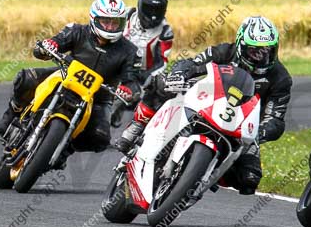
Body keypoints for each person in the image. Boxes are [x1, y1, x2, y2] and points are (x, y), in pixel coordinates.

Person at [115, 15, 293, 195]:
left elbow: (275, 118)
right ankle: (138, 125)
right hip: (206, 102)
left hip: (240, 128)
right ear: (241, 45)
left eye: (267, 52)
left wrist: (260, 132)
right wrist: (180, 75)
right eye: (254, 51)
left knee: (249, 179)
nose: (261, 57)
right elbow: (193, 64)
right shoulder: (225, 52)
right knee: (160, 83)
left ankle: (202, 176)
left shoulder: (281, 78)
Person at [0, 0, 139, 158]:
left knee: (100, 138)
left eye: (115, 23)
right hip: (64, 77)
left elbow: (132, 80)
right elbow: (52, 44)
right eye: (106, 21)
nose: (110, 27)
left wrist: (128, 90)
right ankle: (11, 116)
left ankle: (65, 149)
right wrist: (49, 46)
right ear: (94, 18)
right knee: (26, 78)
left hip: (99, 97)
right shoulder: (77, 31)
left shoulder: (129, 51)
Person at [124, 0, 175, 73]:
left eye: (157, 10)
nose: (153, 15)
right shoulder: (128, 14)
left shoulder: (165, 31)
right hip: (116, 65)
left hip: (143, 73)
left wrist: (147, 76)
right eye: (149, 9)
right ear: (140, 5)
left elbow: (162, 62)